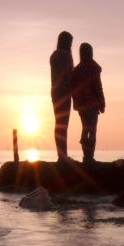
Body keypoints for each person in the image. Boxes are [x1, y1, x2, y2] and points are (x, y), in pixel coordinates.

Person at [70, 42, 105, 163]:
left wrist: (76, 102)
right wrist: (102, 103)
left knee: (85, 128)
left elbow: (74, 89)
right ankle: (90, 157)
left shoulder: (77, 69)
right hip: (93, 104)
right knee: (93, 130)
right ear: (91, 53)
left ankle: (86, 157)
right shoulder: (93, 68)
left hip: (81, 106)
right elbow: (98, 87)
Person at [49, 31, 74, 159]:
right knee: (64, 125)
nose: (71, 46)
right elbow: (69, 75)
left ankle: (61, 155)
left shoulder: (53, 56)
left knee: (58, 123)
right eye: (70, 43)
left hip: (55, 91)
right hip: (64, 91)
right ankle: (63, 156)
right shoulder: (67, 56)